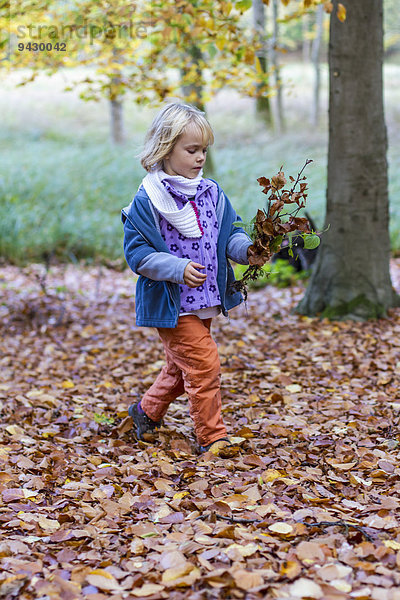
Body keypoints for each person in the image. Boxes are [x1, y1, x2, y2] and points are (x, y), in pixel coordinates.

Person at [121, 102, 253, 453]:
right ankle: (213, 438)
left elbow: (230, 234)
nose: (200, 158)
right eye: (191, 150)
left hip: (206, 299)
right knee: (204, 365)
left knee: (181, 371)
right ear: (165, 149)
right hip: (173, 305)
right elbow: (138, 255)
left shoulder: (212, 193)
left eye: (204, 151)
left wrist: (247, 251)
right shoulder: (149, 199)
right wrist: (176, 269)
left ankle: (145, 413)